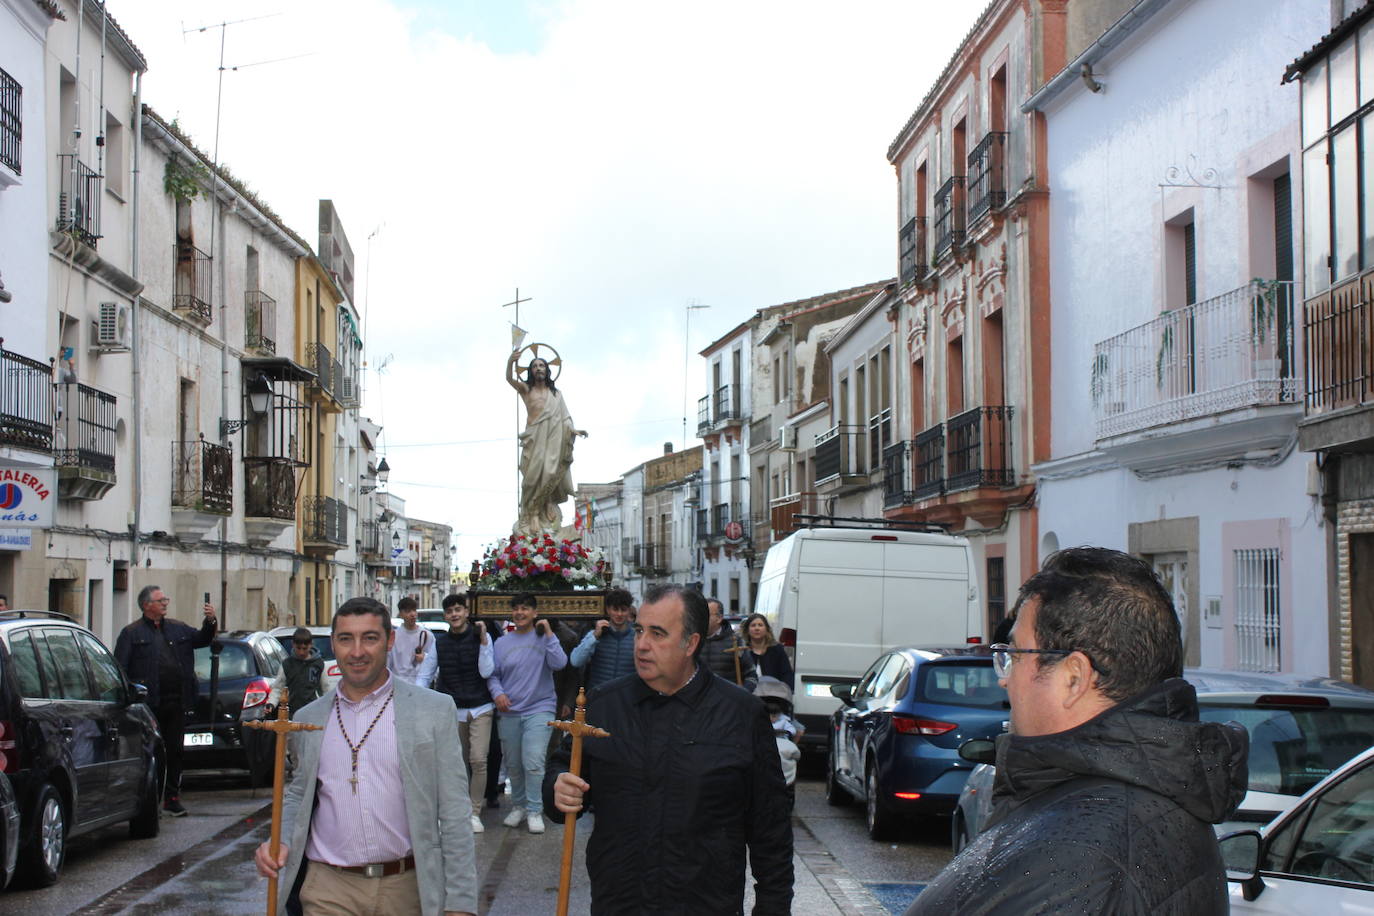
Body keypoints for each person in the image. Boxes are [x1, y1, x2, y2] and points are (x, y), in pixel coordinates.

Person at [907, 548, 1249, 915]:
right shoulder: (1131, 805)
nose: (1004, 679)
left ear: (1073, 678)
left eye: (1015, 654)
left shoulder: (1074, 859)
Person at [548, 584, 793, 914]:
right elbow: (565, 769)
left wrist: (772, 907)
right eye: (639, 631)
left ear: (690, 643)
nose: (642, 645)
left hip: (704, 903)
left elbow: (770, 826)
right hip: (620, 902)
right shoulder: (604, 705)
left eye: (657, 634)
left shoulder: (740, 714)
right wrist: (558, 785)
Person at [253, 597, 477, 916]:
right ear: (334, 644)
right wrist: (281, 840)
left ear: (390, 640)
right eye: (346, 639)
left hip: (405, 887)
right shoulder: (308, 718)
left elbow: (455, 809)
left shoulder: (433, 711)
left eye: (369, 638)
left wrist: (460, 901)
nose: (357, 652)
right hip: (328, 887)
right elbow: (299, 795)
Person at [114, 585, 217, 816]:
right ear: (146, 605)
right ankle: (151, 798)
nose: (165, 603)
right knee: (151, 752)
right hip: (149, 706)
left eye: (165, 599)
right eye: (160, 600)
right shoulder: (132, 633)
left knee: (175, 751)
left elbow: (202, 639)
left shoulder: (177, 628)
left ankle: (172, 797)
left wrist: (210, 621)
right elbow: (121, 668)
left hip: (176, 702)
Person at [489, 592, 567, 834]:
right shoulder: (502, 643)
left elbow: (560, 663)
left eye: (525, 608)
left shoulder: (545, 639)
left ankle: (535, 809)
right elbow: (493, 675)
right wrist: (498, 693)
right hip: (510, 710)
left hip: (539, 708)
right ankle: (519, 805)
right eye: (516, 608)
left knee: (533, 761)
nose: (520, 613)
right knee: (513, 764)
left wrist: (550, 634)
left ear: (535, 613)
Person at [432, 592, 496, 835]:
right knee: (457, 763)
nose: (454, 614)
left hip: (481, 707)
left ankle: (474, 812)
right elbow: (426, 673)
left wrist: (482, 642)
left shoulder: (482, 636)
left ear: (467, 612)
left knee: (478, 760)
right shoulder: (439, 642)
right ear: (446, 616)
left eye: (458, 610)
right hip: (453, 709)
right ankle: (457, 810)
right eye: (449, 611)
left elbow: (487, 670)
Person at [506, 349, 587, 535]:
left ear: (547, 370)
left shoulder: (556, 394)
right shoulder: (527, 390)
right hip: (534, 438)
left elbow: (565, 417)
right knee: (530, 479)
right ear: (531, 371)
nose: (538, 368)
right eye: (535, 366)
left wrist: (573, 430)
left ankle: (540, 508)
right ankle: (530, 512)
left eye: (542, 365)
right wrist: (511, 361)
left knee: (550, 473)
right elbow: (509, 379)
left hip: (552, 439)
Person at [568, 587, 637, 690]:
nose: (619, 614)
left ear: (628, 611)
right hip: (598, 695)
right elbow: (575, 661)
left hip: (627, 696)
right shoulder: (595, 634)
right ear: (608, 610)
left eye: (623, 610)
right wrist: (594, 637)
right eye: (615, 609)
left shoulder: (637, 636)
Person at [699, 598, 757, 691]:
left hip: (727, 701)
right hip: (699, 701)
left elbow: (751, 675)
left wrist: (743, 693)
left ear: (719, 618)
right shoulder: (694, 641)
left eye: (706, 614)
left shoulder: (736, 641)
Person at [388, 596, 437, 687]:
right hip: (399, 686)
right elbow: (388, 664)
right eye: (408, 611)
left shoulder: (426, 635)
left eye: (414, 610)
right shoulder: (394, 637)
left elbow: (435, 663)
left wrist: (424, 658)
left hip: (420, 686)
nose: (412, 614)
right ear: (401, 614)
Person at [743, 613, 794, 690]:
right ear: (747, 630)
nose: (757, 628)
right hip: (749, 696)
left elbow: (786, 674)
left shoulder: (777, 650)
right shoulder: (742, 652)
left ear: (766, 629)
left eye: (760, 625)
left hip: (774, 695)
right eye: (753, 625)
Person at [281, 627, 325, 716]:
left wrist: (327, 707)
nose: (301, 652)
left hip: (311, 711)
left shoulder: (319, 664)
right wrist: (271, 704)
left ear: (311, 644)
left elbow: (325, 689)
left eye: (305, 648)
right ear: (293, 644)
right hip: (291, 712)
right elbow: (278, 688)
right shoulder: (287, 664)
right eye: (298, 648)